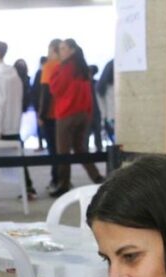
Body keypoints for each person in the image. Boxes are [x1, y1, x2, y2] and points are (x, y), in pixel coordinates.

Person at [49, 38, 105, 197]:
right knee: (80, 148)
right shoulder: (83, 67)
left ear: (72, 50)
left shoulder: (66, 67)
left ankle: (63, 184)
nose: (60, 51)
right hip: (83, 114)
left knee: (63, 151)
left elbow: (55, 88)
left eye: (63, 48)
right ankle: (97, 177)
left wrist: (54, 68)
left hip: (67, 114)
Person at [0, 41, 36, 199]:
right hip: (13, 125)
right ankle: (28, 187)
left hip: (0, 127)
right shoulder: (15, 75)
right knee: (19, 158)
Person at [38, 39, 62, 192]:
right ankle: (62, 179)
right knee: (60, 150)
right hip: (62, 113)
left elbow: (45, 92)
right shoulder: (65, 66)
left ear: (53, 49)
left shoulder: (49, 66)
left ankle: (56, 179)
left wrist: (41, 114)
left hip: (50, 114)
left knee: (53, 150)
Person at [97, 59, 116, 144]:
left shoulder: (101, 87)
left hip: (109, 119)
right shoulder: (119, 86)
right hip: (117, 119)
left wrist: (103, 121)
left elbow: (102, 109)